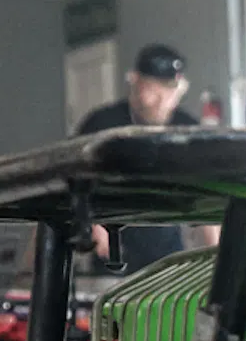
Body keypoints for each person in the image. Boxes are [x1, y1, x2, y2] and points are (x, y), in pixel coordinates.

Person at [78, 42, 208, 270]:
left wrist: (216, 257)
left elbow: (208, 191)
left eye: (169, 91)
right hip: (114, 241)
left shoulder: (189, 130)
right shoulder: (102, 123)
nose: (160, 100)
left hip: (166, 243)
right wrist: (93, 226)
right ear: (135, 82)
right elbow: (75, 181)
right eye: (152, 89)